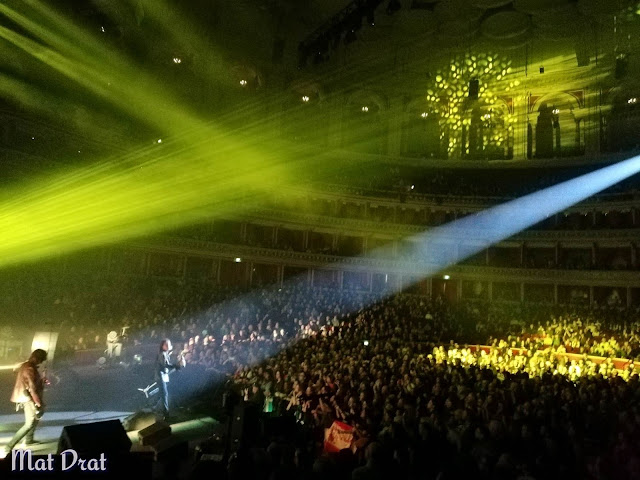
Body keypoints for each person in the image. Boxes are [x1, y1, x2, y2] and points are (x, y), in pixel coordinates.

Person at [5, 349, 48, 452]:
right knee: (29, 423)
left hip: (27, 396)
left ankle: (29, 439)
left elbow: (31, 382)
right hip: (28, 397)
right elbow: (32, 389)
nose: (41, 362)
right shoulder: (29, 368)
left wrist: (41, 380)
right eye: (40, 360)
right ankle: (9, 446)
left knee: (35, 418)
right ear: (36, 358)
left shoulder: (27, 365)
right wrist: (38, 403)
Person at [155, 339, 185, 421]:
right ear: (163, 346)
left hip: (162, 376)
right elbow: (165, 365)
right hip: (161, 377)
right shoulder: (162, 354)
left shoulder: (165, 354)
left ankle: (163, 412)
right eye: (166, 345)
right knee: (164, 395)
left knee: (164, 395)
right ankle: (165, 415)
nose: (168, 346)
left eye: (169, 344)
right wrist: (176, 366)